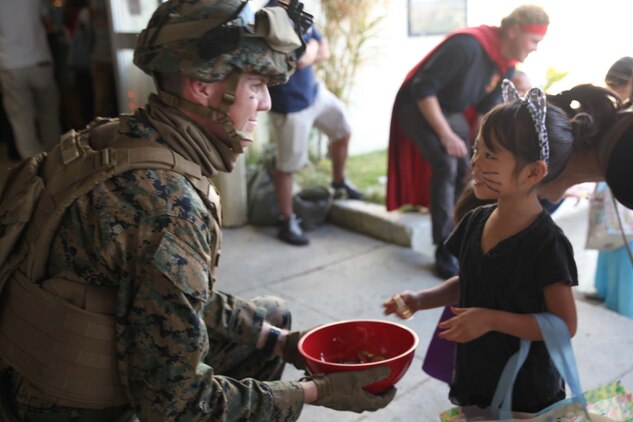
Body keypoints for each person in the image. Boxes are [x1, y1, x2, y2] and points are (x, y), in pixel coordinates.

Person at [0, 1, 395, 420]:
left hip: (33, 368)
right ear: (202, 86)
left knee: (271, 318)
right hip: (64, 407)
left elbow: (172, 292)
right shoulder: (169, 206)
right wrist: (316, 392)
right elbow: (180, 406)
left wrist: (279, 340)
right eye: (256, 84)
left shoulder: (114, 138)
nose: (264, 103)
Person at [383, 79, 614, 413]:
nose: (475, 162)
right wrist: (421, 300)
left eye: (490, 155)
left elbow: (564, 325)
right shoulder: (476, 220)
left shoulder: (546, 243)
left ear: (533, 172)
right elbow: (474, 281)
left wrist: (492, 319)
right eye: (477, 149)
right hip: (477, 376)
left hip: (526, 390)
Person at [386, 5, 549, 279]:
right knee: (446, 163)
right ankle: (444, 246)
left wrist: (483, 150)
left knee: (470, 170)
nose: (535, 49)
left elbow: (485, 112)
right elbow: (423, 88)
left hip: (452, 112)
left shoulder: (506, 65)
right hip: (418, 106)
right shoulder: (467, 45)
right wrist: (446, 135)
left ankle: (465, 234)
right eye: (533, 41)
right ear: (513, 31)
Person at [266, 0, 362, 246]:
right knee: (288, 164)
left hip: (314, 93)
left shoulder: (299, 9)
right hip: (290, 105)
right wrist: (311, 50)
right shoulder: (271, 16)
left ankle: (338, 181)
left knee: (343, 130)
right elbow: (295, 59)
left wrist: (310, 50)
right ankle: (286, 220)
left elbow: (322, 49)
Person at [591, 57, 633, 318]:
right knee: (613, 242)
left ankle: (623, 302)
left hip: (622, 188)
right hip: (612, 188)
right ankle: (612, 297)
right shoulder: (617, 112)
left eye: (619, 87)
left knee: (623, 244)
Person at [0, 0, 61, 159]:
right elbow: (49, 24)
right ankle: (56, 163)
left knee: (22, 122)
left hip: (11, 65)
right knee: (49, 116)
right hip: (40, 61)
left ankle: (33, 168)